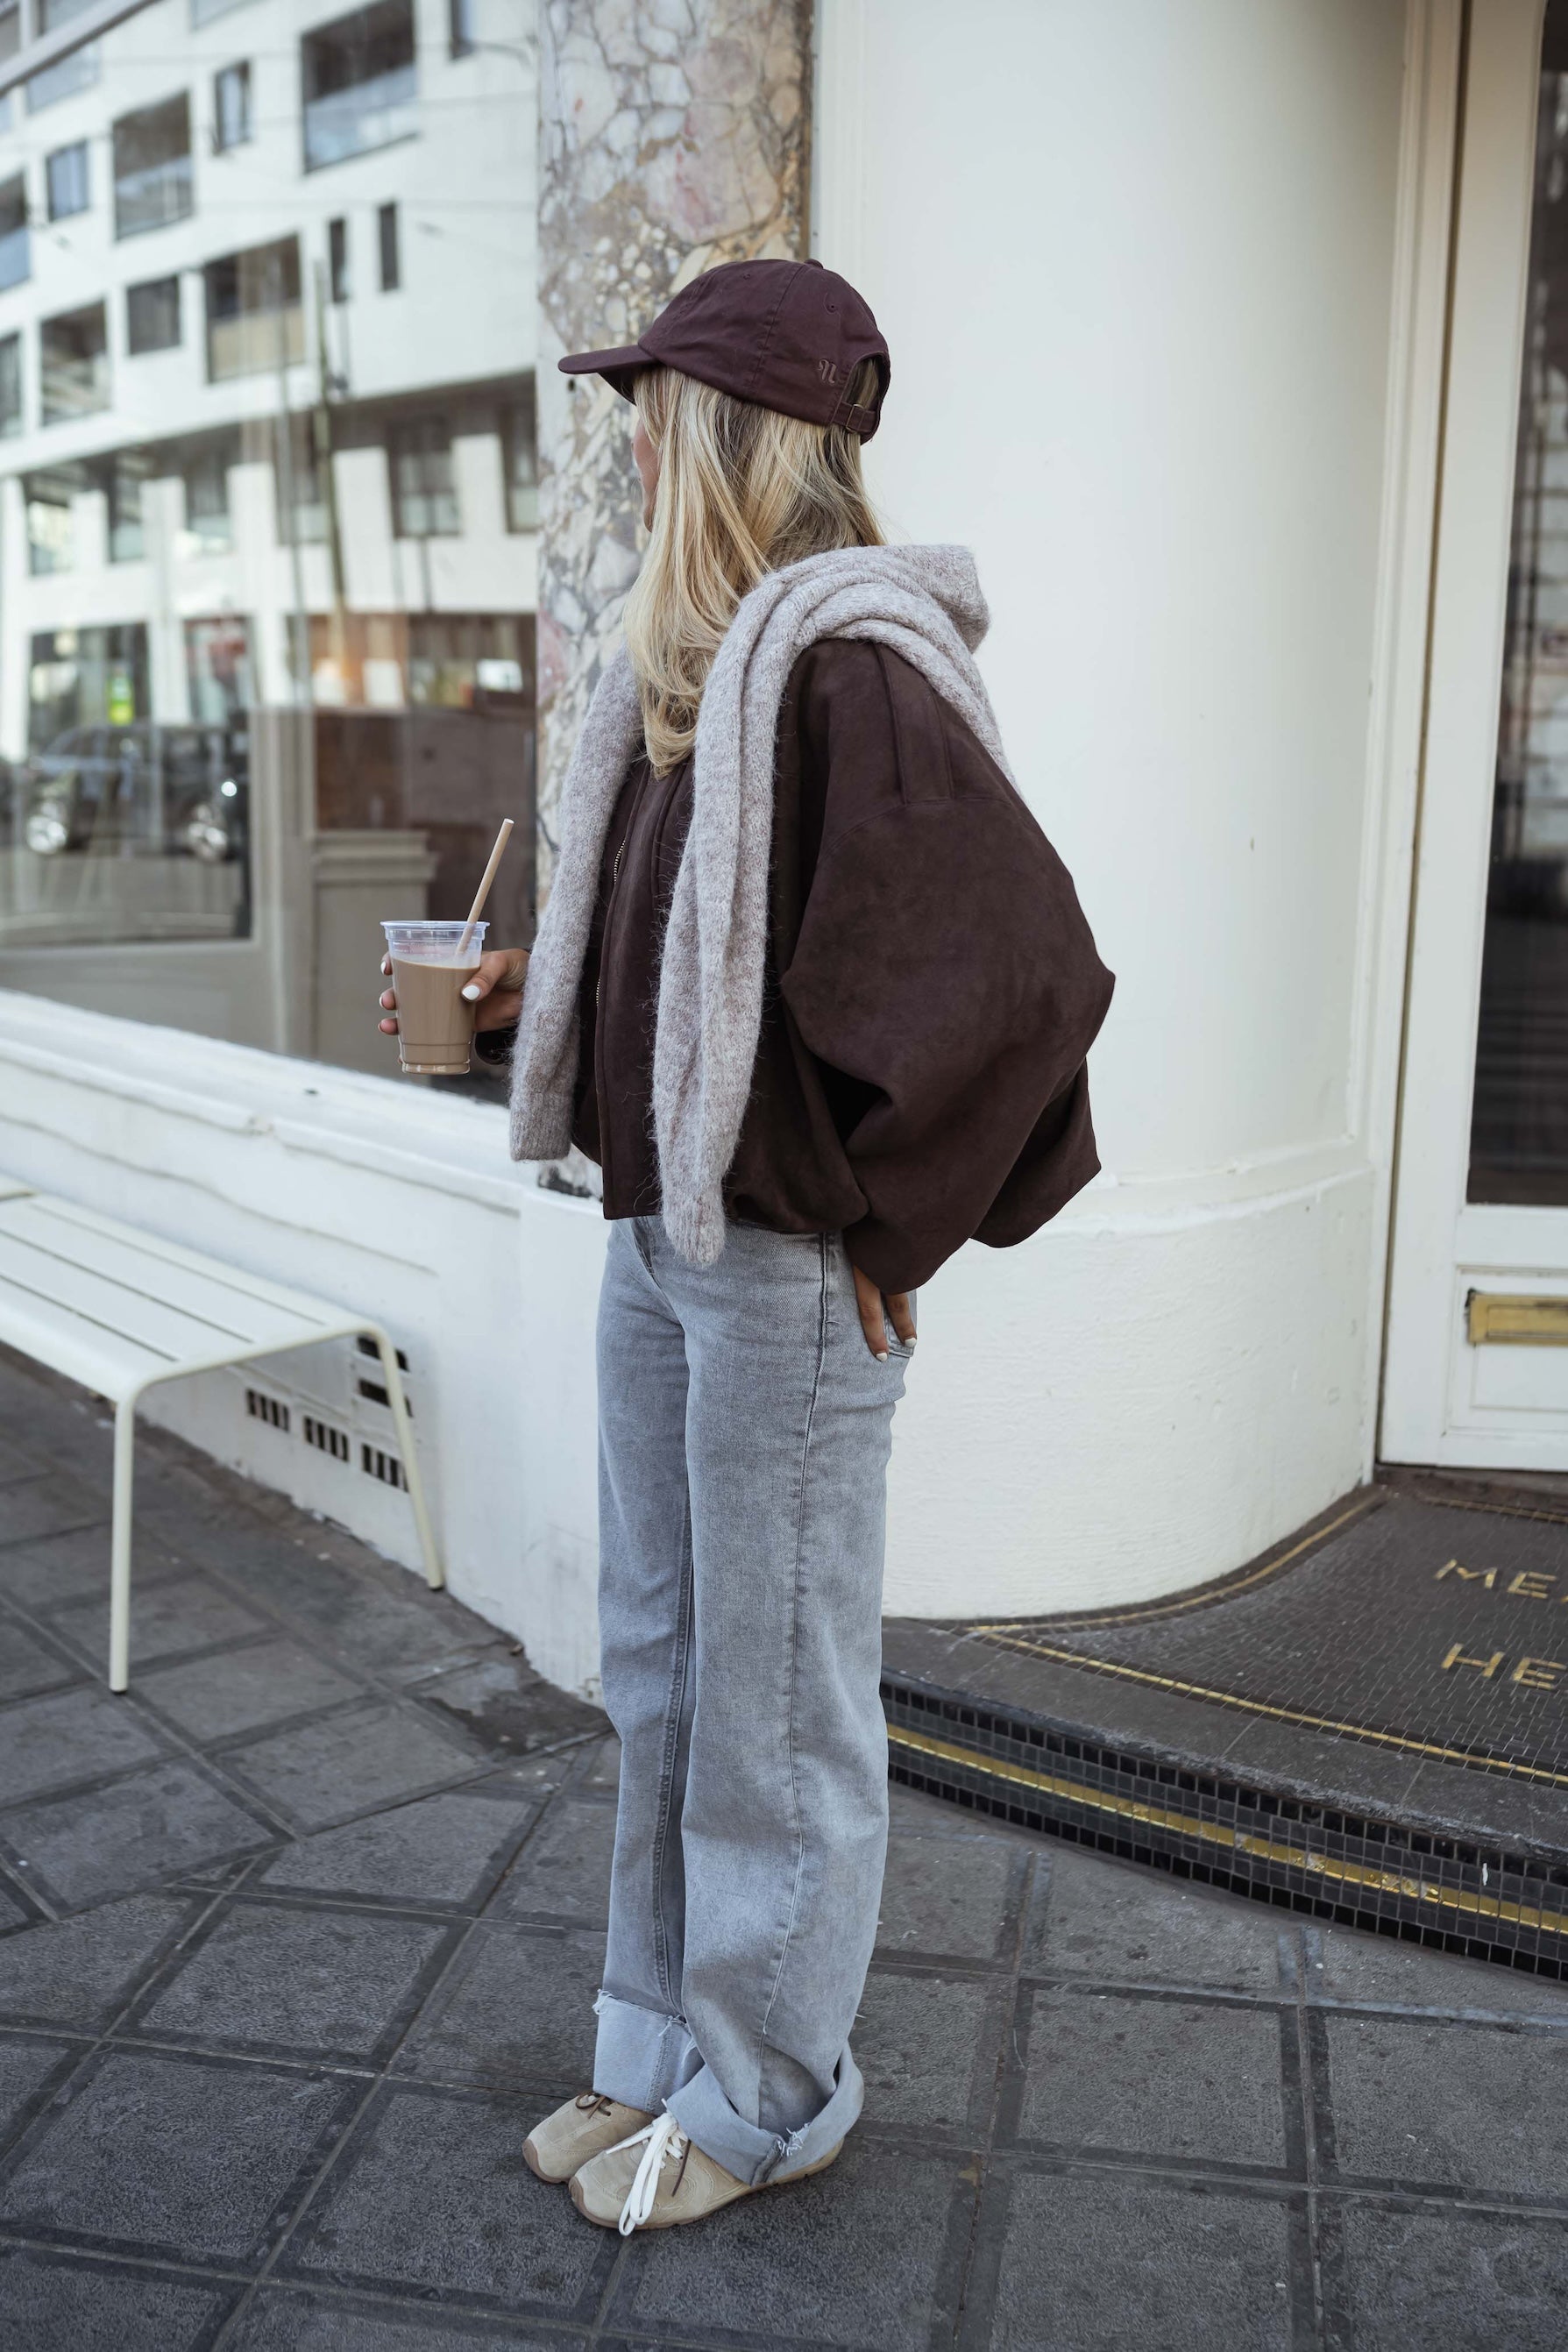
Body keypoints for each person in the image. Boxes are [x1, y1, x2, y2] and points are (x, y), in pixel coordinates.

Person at [378, 257, 1113, 2237]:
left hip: (780, 1270)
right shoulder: (694, 685)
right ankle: (658, 2050)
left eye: (651, 409)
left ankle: (772, 2090)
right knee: (664, 1667)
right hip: (660, 1241)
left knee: (773, 1708)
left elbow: (1021, 978)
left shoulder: (851, 668)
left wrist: (892, 1226)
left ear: (724, 434)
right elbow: (719, 983)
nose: (630, 441)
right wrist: (532, 1003)